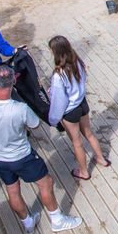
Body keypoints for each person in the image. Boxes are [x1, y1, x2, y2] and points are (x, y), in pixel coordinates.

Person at [0, 66, 82, 234]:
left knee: (12, 190)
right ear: (13, 82)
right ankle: (57, 220)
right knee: (46, 183)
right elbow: (35, 125)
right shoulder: (20, 108)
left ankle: (27, 223)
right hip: (22, 157)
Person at [46, 35, 110, 179]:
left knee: (77, 143)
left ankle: (83, 171)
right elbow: (81, 81)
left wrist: (53, 119)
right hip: (82, 103)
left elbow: (59, 102)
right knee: (89, 133)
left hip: (70, 111)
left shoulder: (58, 75)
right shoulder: (77, 62)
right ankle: (101, 158)